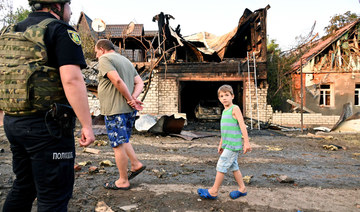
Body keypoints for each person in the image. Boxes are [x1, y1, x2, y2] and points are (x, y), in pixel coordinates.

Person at [0, 0, 95, 211]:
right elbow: (72, 80)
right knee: (54, 196)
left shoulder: (10, 31)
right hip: (47, 127)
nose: (71, 11)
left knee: (24, 186)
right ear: (57, 6)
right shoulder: (59, 30)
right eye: (69, 5)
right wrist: (87, 125)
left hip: (13, 122)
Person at [95, 39, 146, 190]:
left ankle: (123, 180)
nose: (96, 56)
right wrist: (134, 99)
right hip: (127, 110)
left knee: (118, 145)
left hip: (114, 109)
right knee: (123, 139)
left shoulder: (105, 59)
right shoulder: (125, 60)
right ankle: (136, 164)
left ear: (102, 49)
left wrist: (131, 99)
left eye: (96, 52)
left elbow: (116, 80)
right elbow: (140, 83)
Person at [198, 84, 251, 200]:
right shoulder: (224, 111)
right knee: (234, 166)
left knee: (221, 165)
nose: (224, 98)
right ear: (219, 99)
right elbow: (224, 130)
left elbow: (242, 125)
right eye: (221, 96)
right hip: (227, 144)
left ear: (232, 96)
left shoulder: (235, 108)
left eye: (227, 95)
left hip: (233, 145)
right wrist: (221, 144)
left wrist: (246, 142)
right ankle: (242, 189)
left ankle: (213, 191)